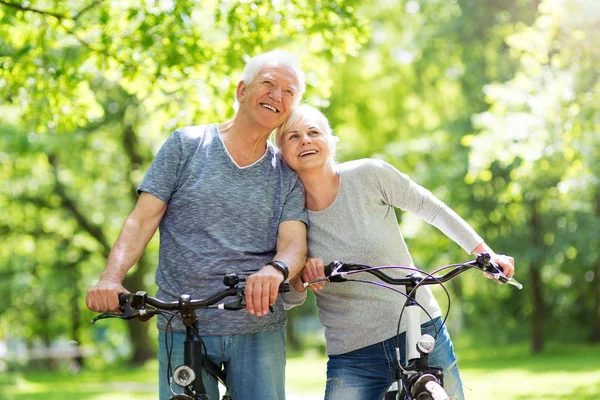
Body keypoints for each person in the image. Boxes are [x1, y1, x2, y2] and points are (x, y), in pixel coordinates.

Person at [86, 50, 309, 400]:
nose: (277, 96)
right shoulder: (186, 145)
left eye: (289, 92)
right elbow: (142, 218)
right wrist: (111, 277)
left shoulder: (287, 174)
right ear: (241, 90)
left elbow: (294, 242)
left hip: (258, 328)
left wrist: (275, 268)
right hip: (182, 322)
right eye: (268, 84)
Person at [275, 105, 516, 400]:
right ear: (281, 154)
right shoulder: (288, 216)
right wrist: (303, 277)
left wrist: (485, 254)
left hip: (420, 328)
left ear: (330, 140)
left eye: (314, 132)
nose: (305, 141)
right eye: (293, 136)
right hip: (353, 353)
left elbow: (432, 209)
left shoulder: (370, 175)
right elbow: (290, 298)